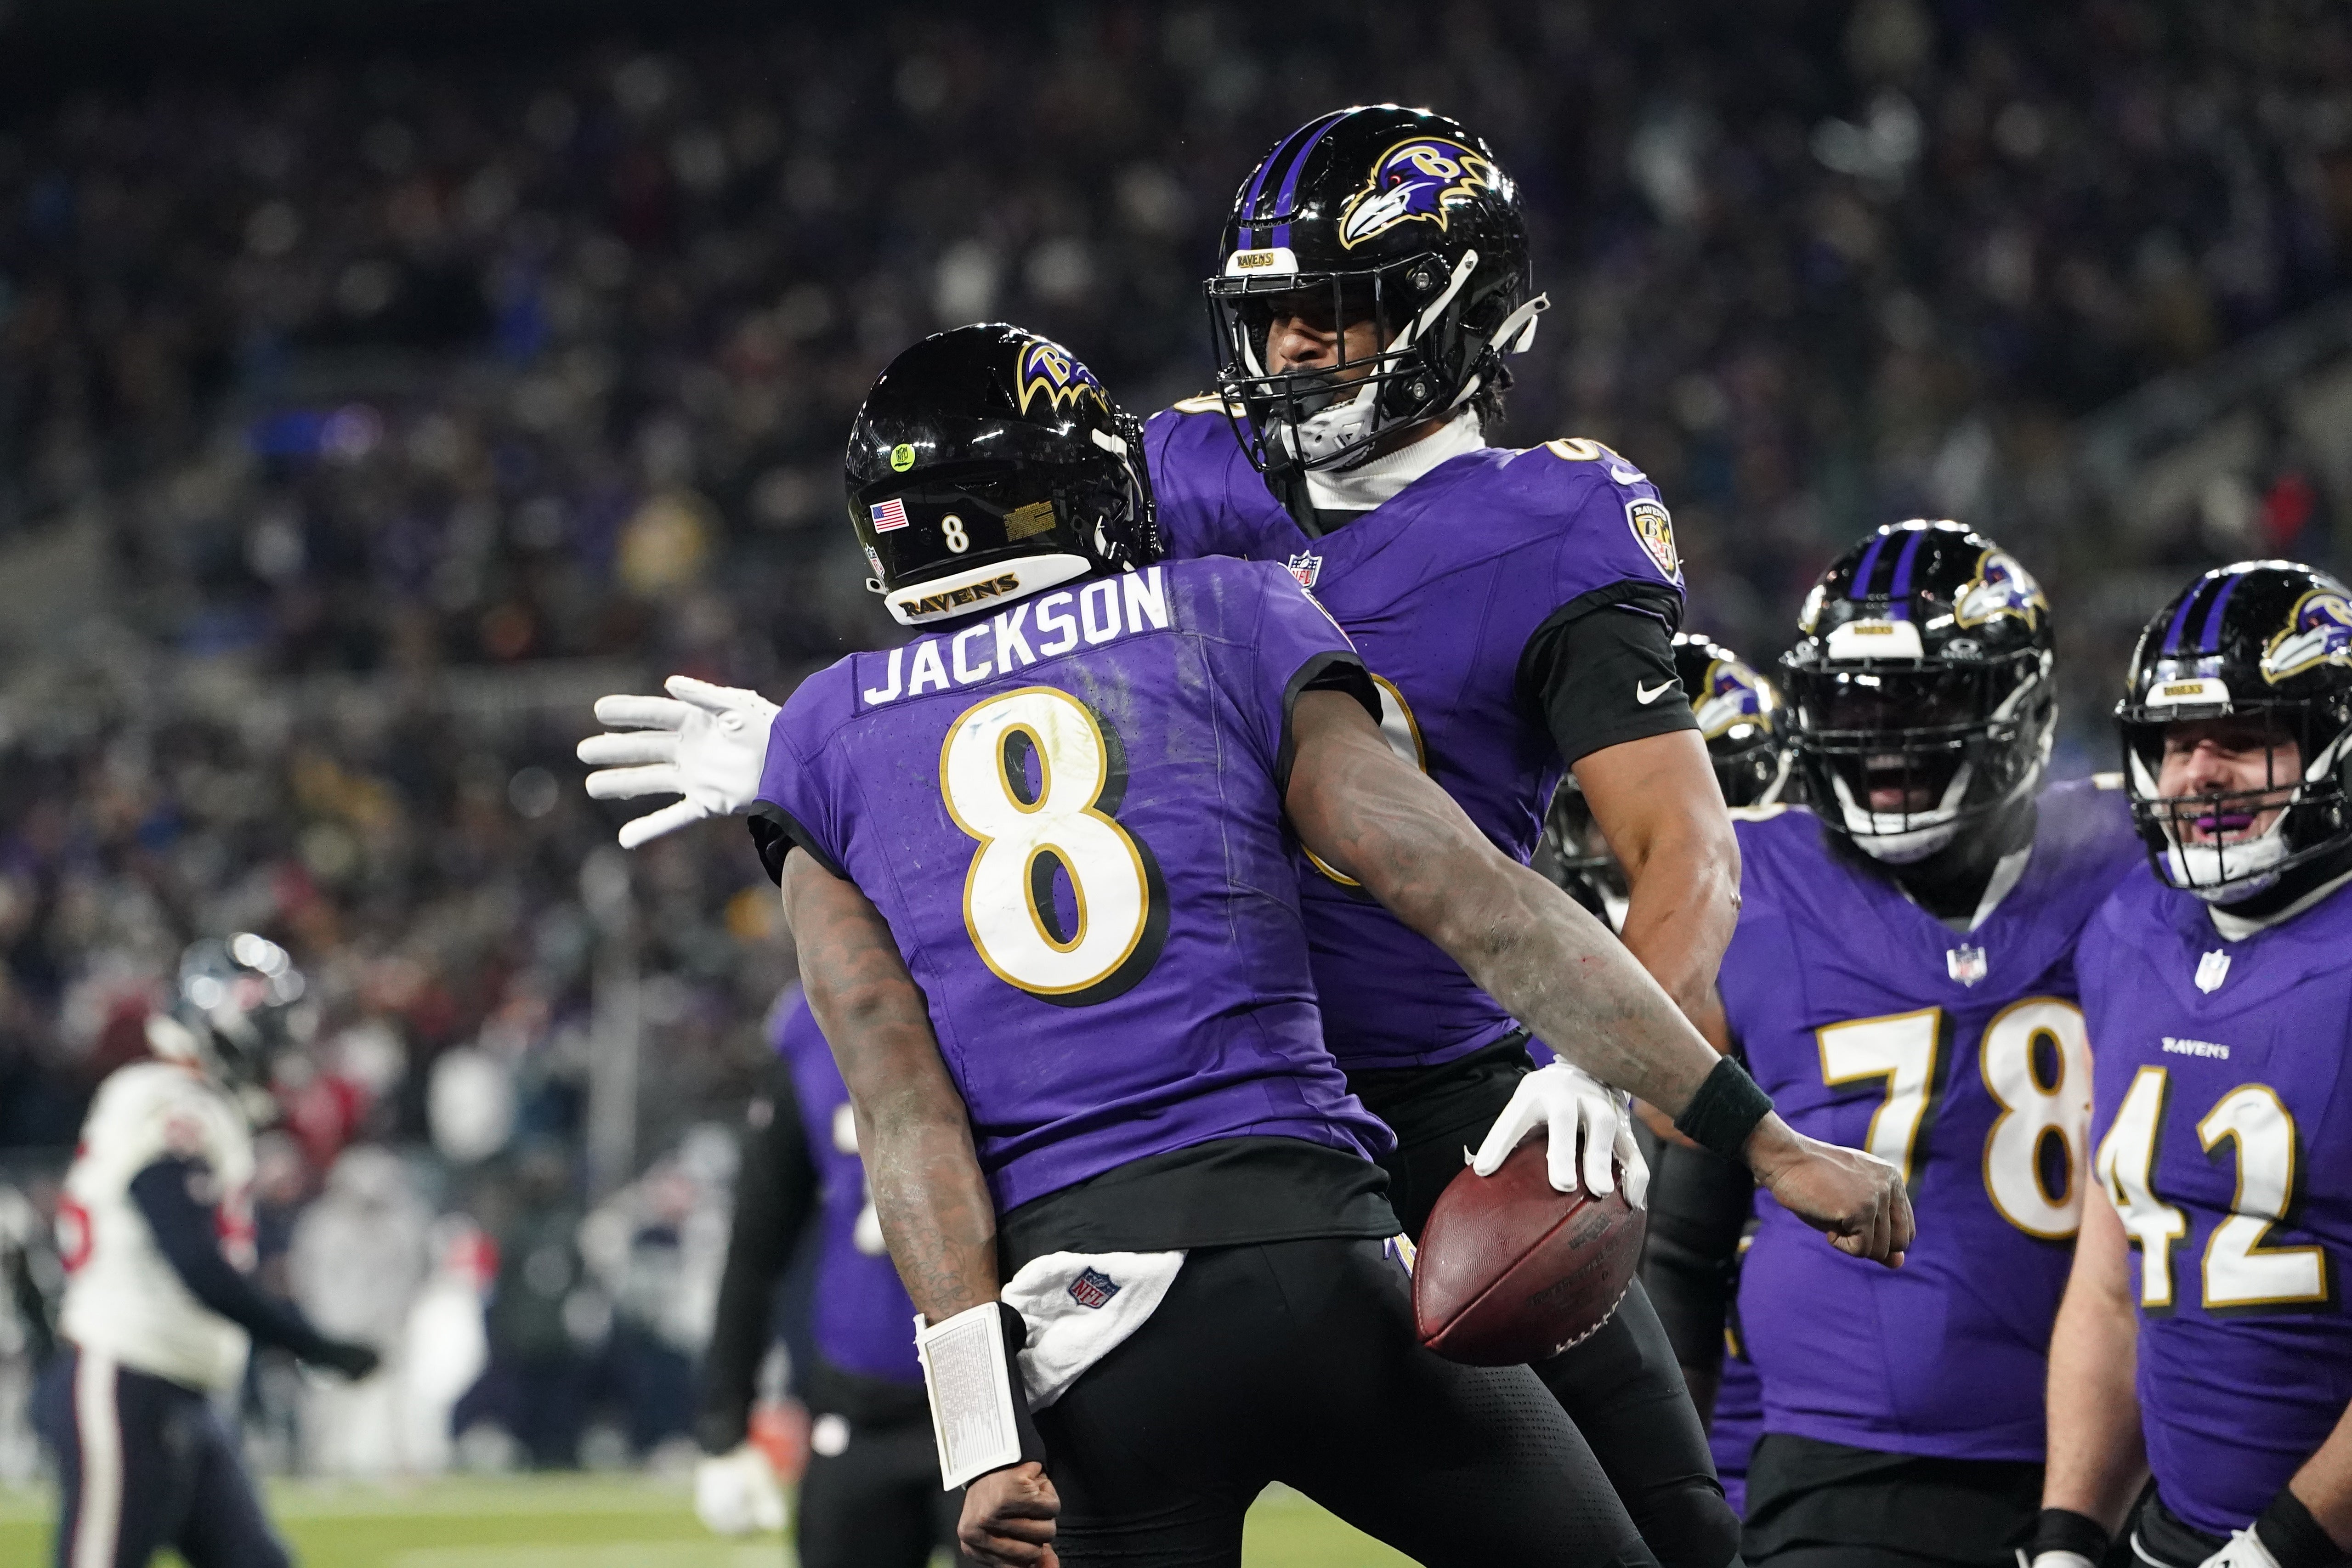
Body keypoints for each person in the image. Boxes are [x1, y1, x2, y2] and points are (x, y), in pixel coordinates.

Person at [579, 322, 1910, 1568]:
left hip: (1088, 1318)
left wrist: (978, 1433)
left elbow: (902, 1112)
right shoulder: (1222, 610)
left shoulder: (820, 737)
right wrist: (1760, 1139)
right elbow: (1476, 898)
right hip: (1311, 1246)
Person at [1145, 102, 1747, 1568]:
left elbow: (1686, 852)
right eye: (1269, 314)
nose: (1288, 346)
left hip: (1439, 1100)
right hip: (1194, 1100)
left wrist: (1602, 1061)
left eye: (1332, 310)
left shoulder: (1551, 522)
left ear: (1451, 310)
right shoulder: (1173, 473)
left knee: (1672, 1535)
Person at [1646, 521, 2142, 1568]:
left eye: (1920, 699)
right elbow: (1682, 1239)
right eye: (1849, 703)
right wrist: (1672, 1498)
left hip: (2129, 1456)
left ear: (2019, 705)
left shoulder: (2131, 861)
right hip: (1846, 1474)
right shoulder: (1745, 880)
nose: (1879, 739)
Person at [2023, 562, 2352, 1568]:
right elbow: (2110, 1284)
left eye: (2240, 739)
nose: (2196, 773)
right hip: (2178, 1536)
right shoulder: (2128, 928)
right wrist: (2070, 1534)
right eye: (2174, 743)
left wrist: (2277, 1548)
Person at [1536, 632, 1788, 1519]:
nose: (1631, 844)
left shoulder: (1808, 972)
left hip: (1801, 1430)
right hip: (1624, 1430)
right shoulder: (1530, 994)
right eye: (1598, 815)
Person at [35, 935, 381, 1568]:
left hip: (179, 1384)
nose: (281, 1049)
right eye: (271, 1028)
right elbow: (194, 1259)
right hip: (129, 1372)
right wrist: (312, 1344)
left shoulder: (189, 1100)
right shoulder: (171, 1099)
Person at [692, 987, 972, 1566]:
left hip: (1003, 1395)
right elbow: (757, 1241)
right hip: (862, 1399)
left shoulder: (999, 983)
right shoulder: (810, 1026)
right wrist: (726, 1422)